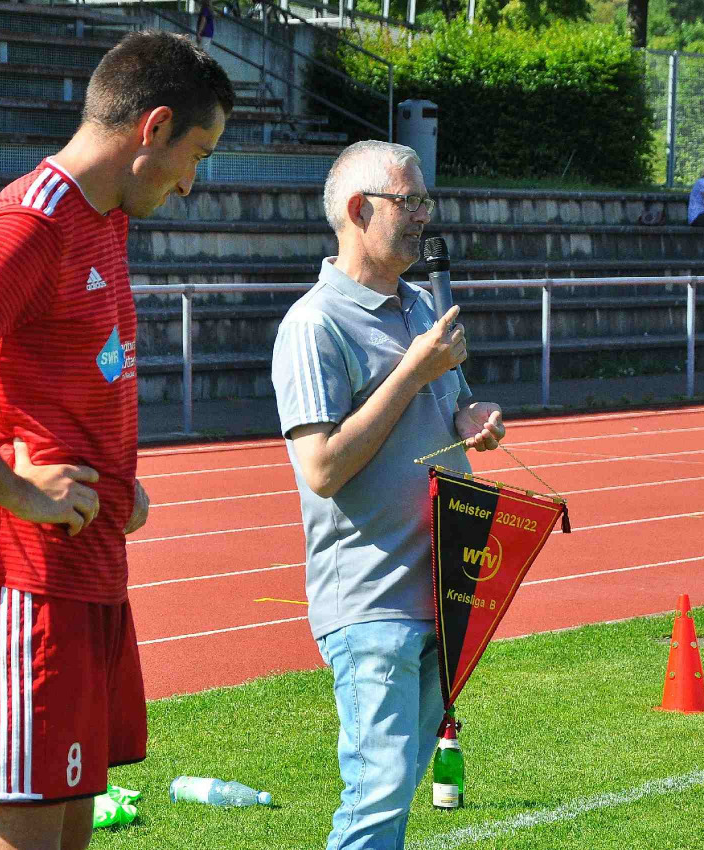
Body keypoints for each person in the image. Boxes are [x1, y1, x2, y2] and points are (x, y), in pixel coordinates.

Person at [0, 31, 233, 850]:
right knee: (22, 824)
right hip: (25, 582)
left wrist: (116, 481)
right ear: (154, 128)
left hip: (84, 574)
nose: (191, 182)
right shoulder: (33, 221)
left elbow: (58, 376)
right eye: (197, 155)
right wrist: (16, 490)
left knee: (68, 826)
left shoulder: (104, 218)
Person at [270, 140, 504, 850]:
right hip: (371, 600)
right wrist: (411, 372)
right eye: (409, 202)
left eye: (425, 200)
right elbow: (321, 468)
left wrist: (472, 417)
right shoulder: (313, 324)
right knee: (377, 795)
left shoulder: (422, 305)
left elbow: (453, 404)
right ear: (357, 210)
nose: (424, 215)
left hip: (443, 589)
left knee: (395, 789)